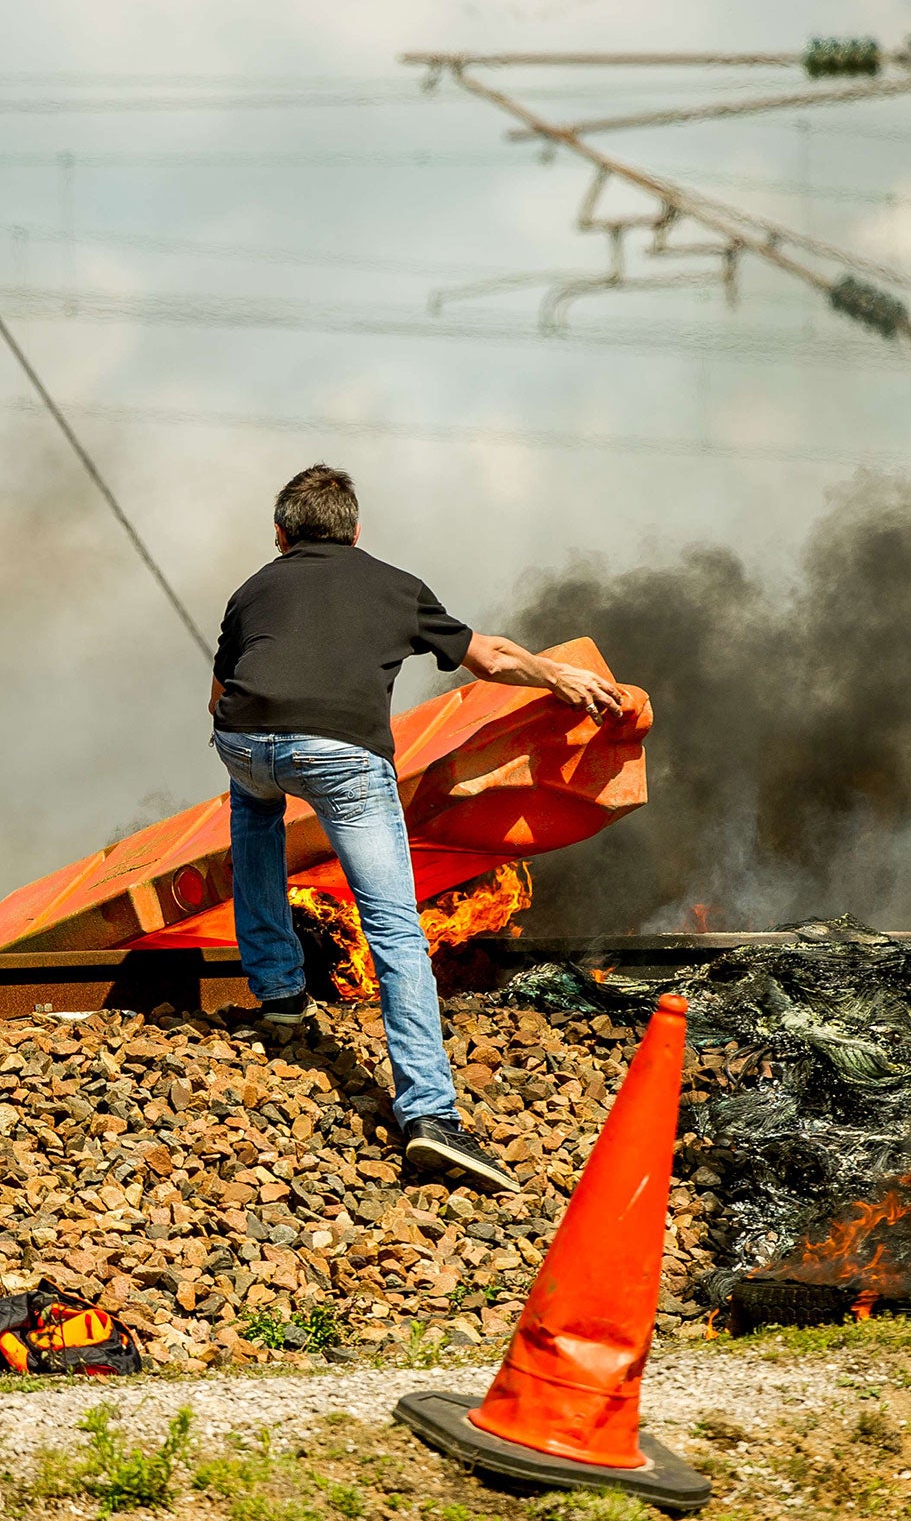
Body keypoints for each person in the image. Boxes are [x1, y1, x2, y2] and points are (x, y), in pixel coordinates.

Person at [209, 464, 624, 1193]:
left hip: (247, 745)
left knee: (255, 808)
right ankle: (429, 1115)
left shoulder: (252, 589)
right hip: (343, 756)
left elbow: (218, 696)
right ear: (355, 531)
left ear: (279, 533)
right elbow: (488, 656)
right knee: (395, 927)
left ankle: (278, 997)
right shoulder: (395, 584)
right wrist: (558, 676)